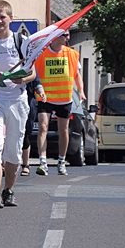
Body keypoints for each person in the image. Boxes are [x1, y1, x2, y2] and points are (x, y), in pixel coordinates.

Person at [0, 0, 37, 209]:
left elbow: (33, 72)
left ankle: (8, 190)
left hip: (17, 100)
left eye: (3, 17)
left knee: (13, 149)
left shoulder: (21, 42)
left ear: (11, 19)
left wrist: (22, 79)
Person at [34, 31, 85, 176]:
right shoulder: (42, 53)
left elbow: (77, 75)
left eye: (68, 35)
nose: (67, 38)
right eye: (64, 35)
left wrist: (81, 91)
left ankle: (61, 162)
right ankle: (43, 162)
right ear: (55, 36)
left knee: (63, 130)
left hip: (64, 98)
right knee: (43, 126)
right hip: (45, 96)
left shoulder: (72, 54)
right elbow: (35, 73)